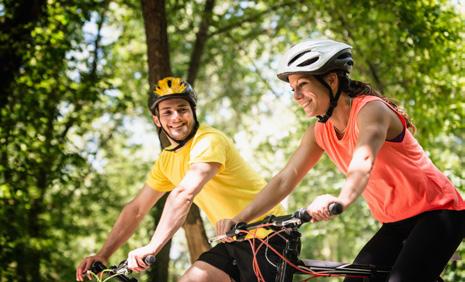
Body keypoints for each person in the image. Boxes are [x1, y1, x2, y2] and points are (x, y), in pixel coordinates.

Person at [216, 39, 465, 282]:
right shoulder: (319, 132)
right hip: (396, 222)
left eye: (303, 85)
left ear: (331, 80)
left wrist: (340, 199)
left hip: (439, 212)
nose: (296, 96)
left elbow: (364, 158)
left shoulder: (371, 110)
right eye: (293, 89)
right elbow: (285, 178)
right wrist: (241, 219)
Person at [75, 76, 287, 282]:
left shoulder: (209, 141)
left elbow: (184, 193)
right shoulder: (167, 160)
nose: (176, 117)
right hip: (233, 240)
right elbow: (137, 209)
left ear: (193, 112)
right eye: (167, 112)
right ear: (156, 119)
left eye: (182, 109)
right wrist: (103, 254)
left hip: (269, 236)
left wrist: (152, 247)